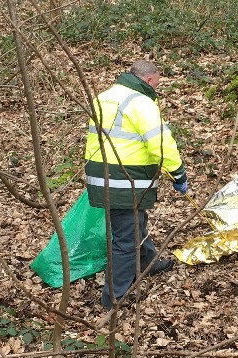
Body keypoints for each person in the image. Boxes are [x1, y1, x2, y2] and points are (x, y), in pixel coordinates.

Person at [84, 60, 188, 309]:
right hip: (125, 179)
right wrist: (178, 174)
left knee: (134, 222)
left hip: (102, 174)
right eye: (157, 84)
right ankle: (114, 298)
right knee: (126, 238)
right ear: (149, 80)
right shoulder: (141, 103)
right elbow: (160, 143)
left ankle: (148, 263)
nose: (157, 89)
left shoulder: (105, 97)